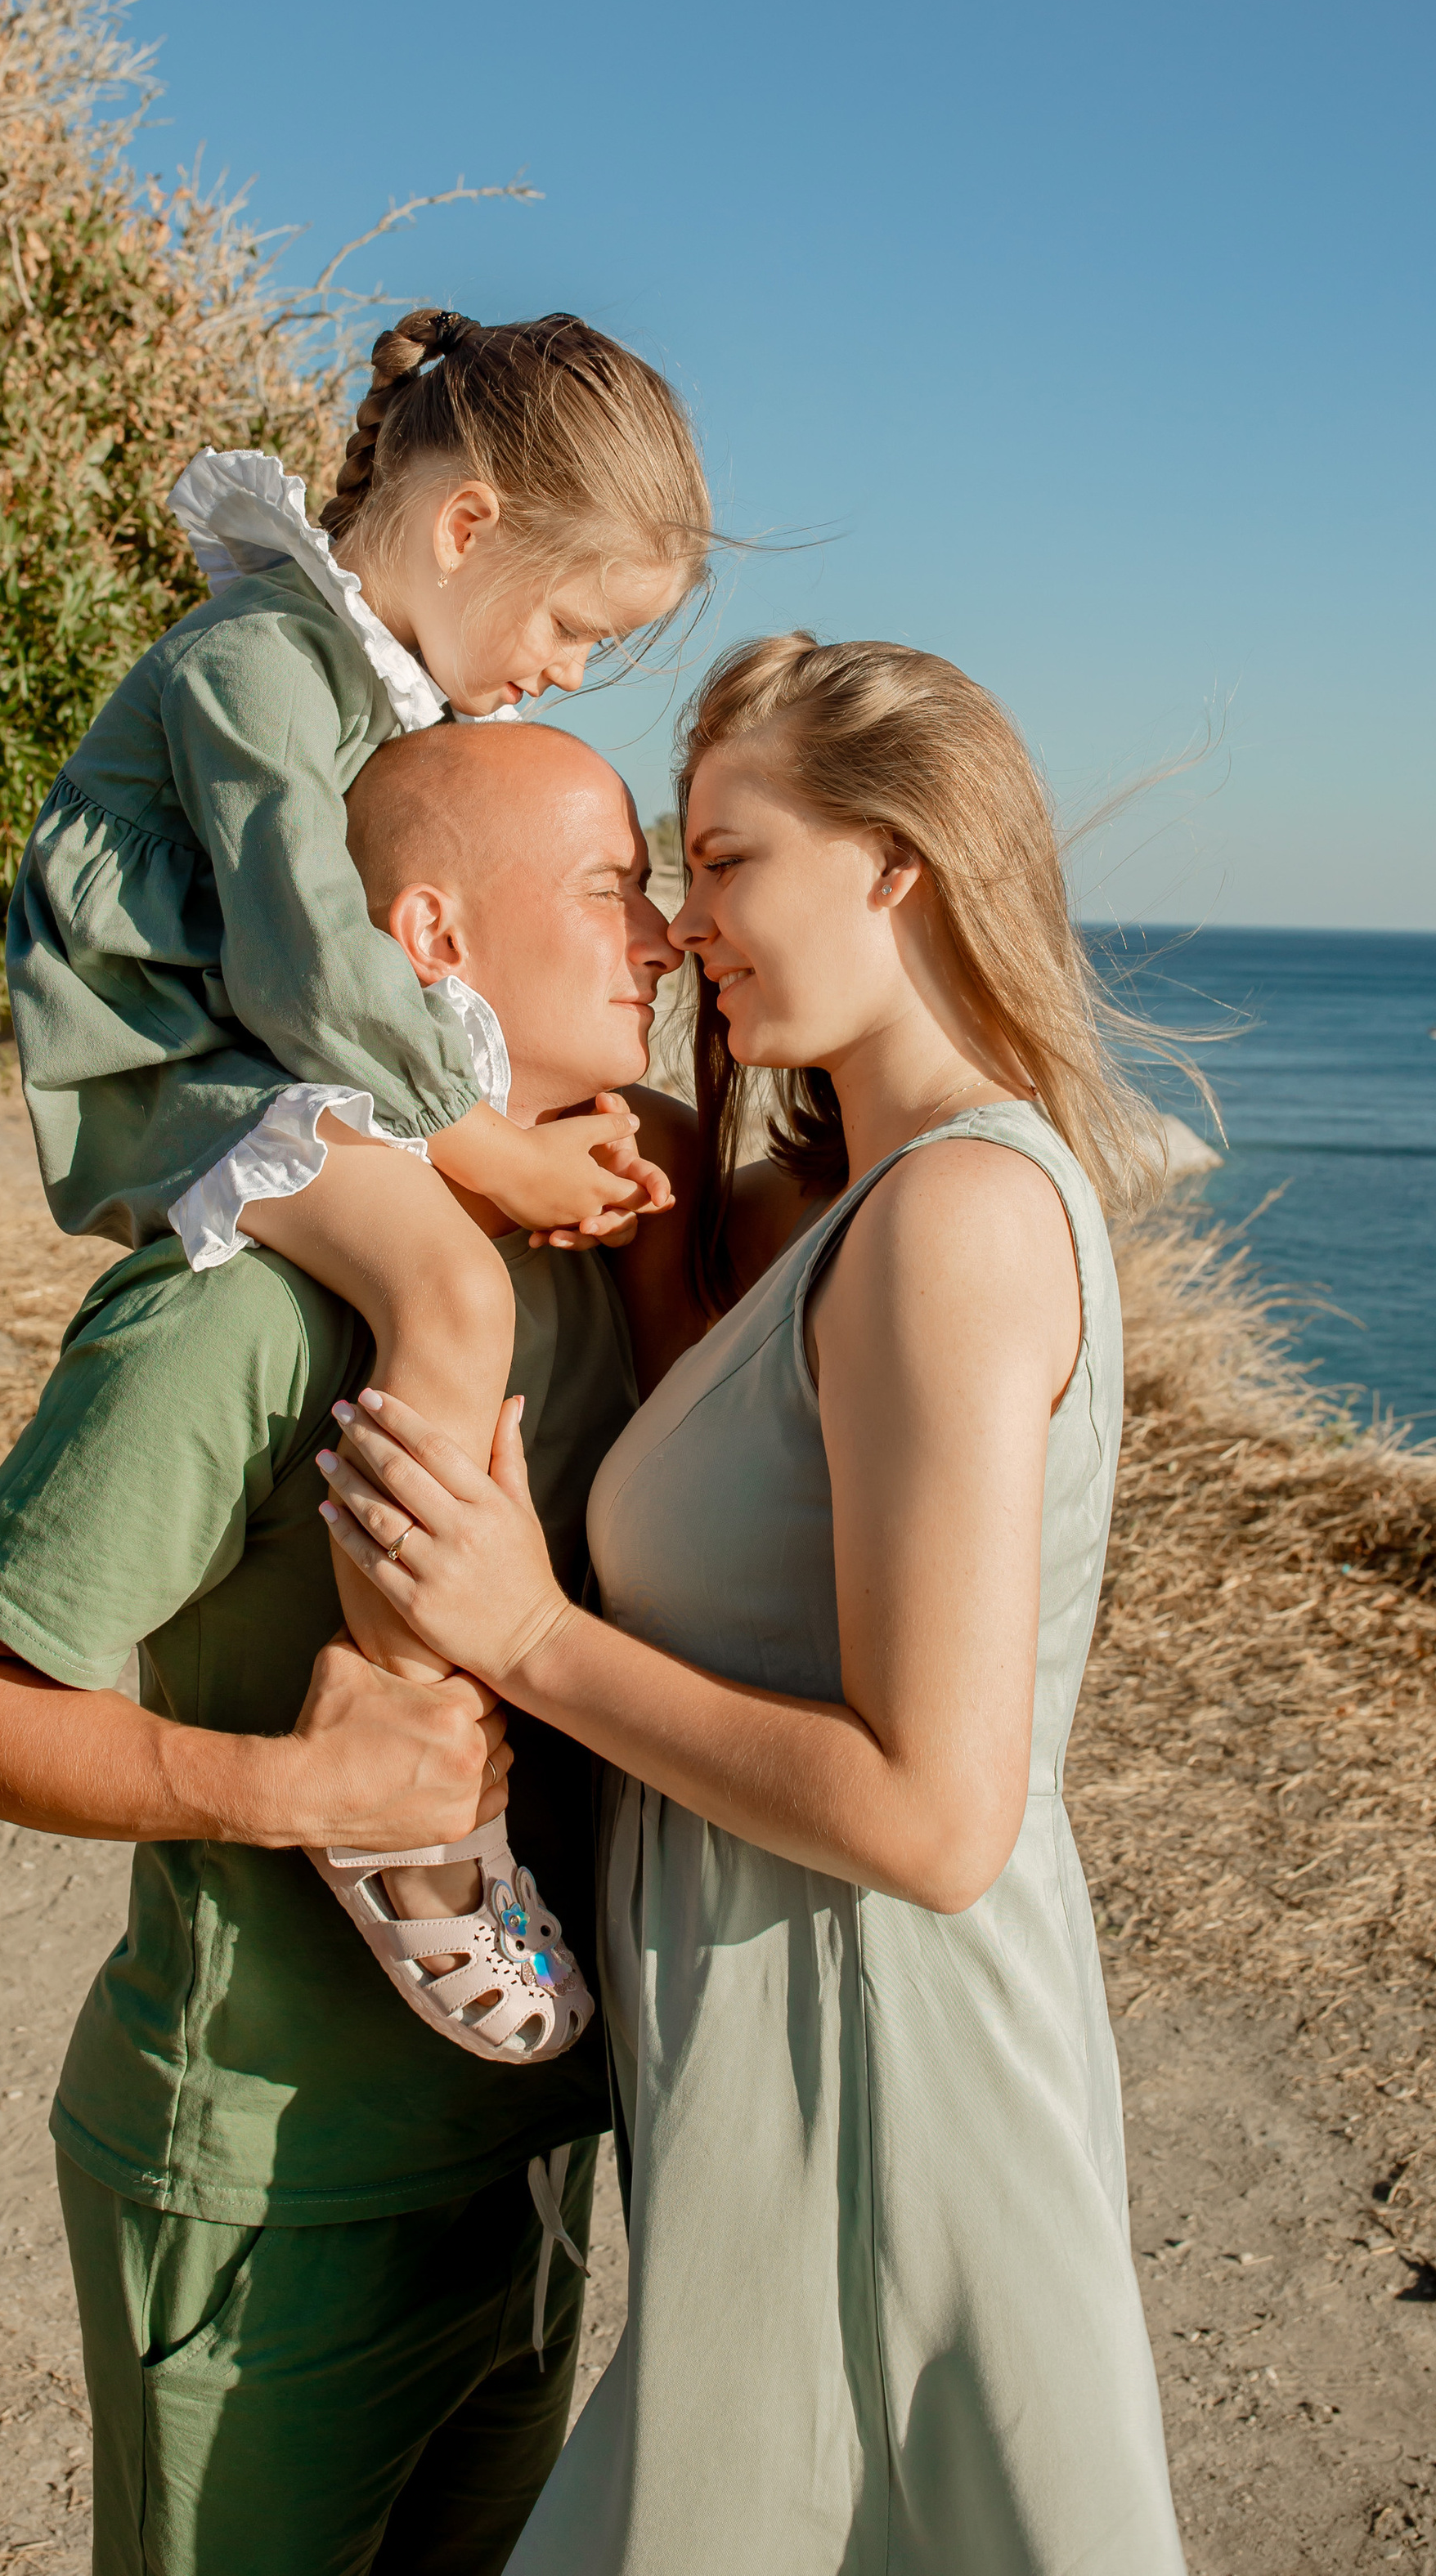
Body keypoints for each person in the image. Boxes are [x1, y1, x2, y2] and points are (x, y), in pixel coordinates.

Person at [320, 634, 1191, 2574]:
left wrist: (527, 1634)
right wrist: (627, 1216)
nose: (679, 922)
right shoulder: (842, 1209)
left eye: (722, 862)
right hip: (766, 2057)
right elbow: (750, 1515)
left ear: (895, 860)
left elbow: (932, 1820)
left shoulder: (955, 1221)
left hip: (874, 2064)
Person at [0, 720, 697, 2576]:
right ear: (431, 939)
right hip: (270, 2198)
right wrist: (294, 1785)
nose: (658, 939)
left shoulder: (585, 1259)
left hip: (526, 2159)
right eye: (610, 887)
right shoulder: (244, 1309)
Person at [5, 311, 713, 2050]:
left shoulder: (366, 680)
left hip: (262, 1051)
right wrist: (485, 1145)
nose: (566, 671)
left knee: (473, 1269)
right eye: (572, 626)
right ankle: (402, 1801)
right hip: (180, 1068)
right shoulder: (260, 659)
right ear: (468, 527)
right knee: (453, 1288)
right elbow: (309, 959)